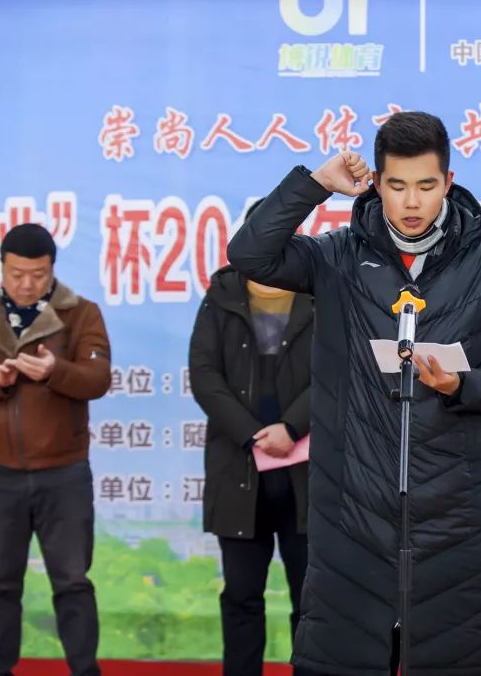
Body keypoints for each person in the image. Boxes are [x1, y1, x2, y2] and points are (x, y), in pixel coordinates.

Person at [226, 111, 481, 676]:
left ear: (448, 181)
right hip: (351, 515)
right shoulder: (337, 256)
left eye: (425, 185)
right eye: (396, 185)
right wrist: (316, 184)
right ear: (375, 181)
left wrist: (460, 385)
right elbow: (250, 254)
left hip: (454, 517)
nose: (411, 202)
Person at [0, 223, 111, 676]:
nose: (26, 284)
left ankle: (84, 669)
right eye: (17, 274)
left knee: (72, 582)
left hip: (64, 472)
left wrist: (56, 370)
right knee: (0, 584)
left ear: (52, 269)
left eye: (38, 274)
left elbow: (98, 379)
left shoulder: (81, 314)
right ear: (2, 268)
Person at [189, 198, 315, 676]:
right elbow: (205, 375)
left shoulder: (322, 292)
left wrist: (292, 427)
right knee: (241, 598)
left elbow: (337, 373)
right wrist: (253, 435)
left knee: (314, 603)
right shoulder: (221, 294)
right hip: (239, 469)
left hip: (308, 476)